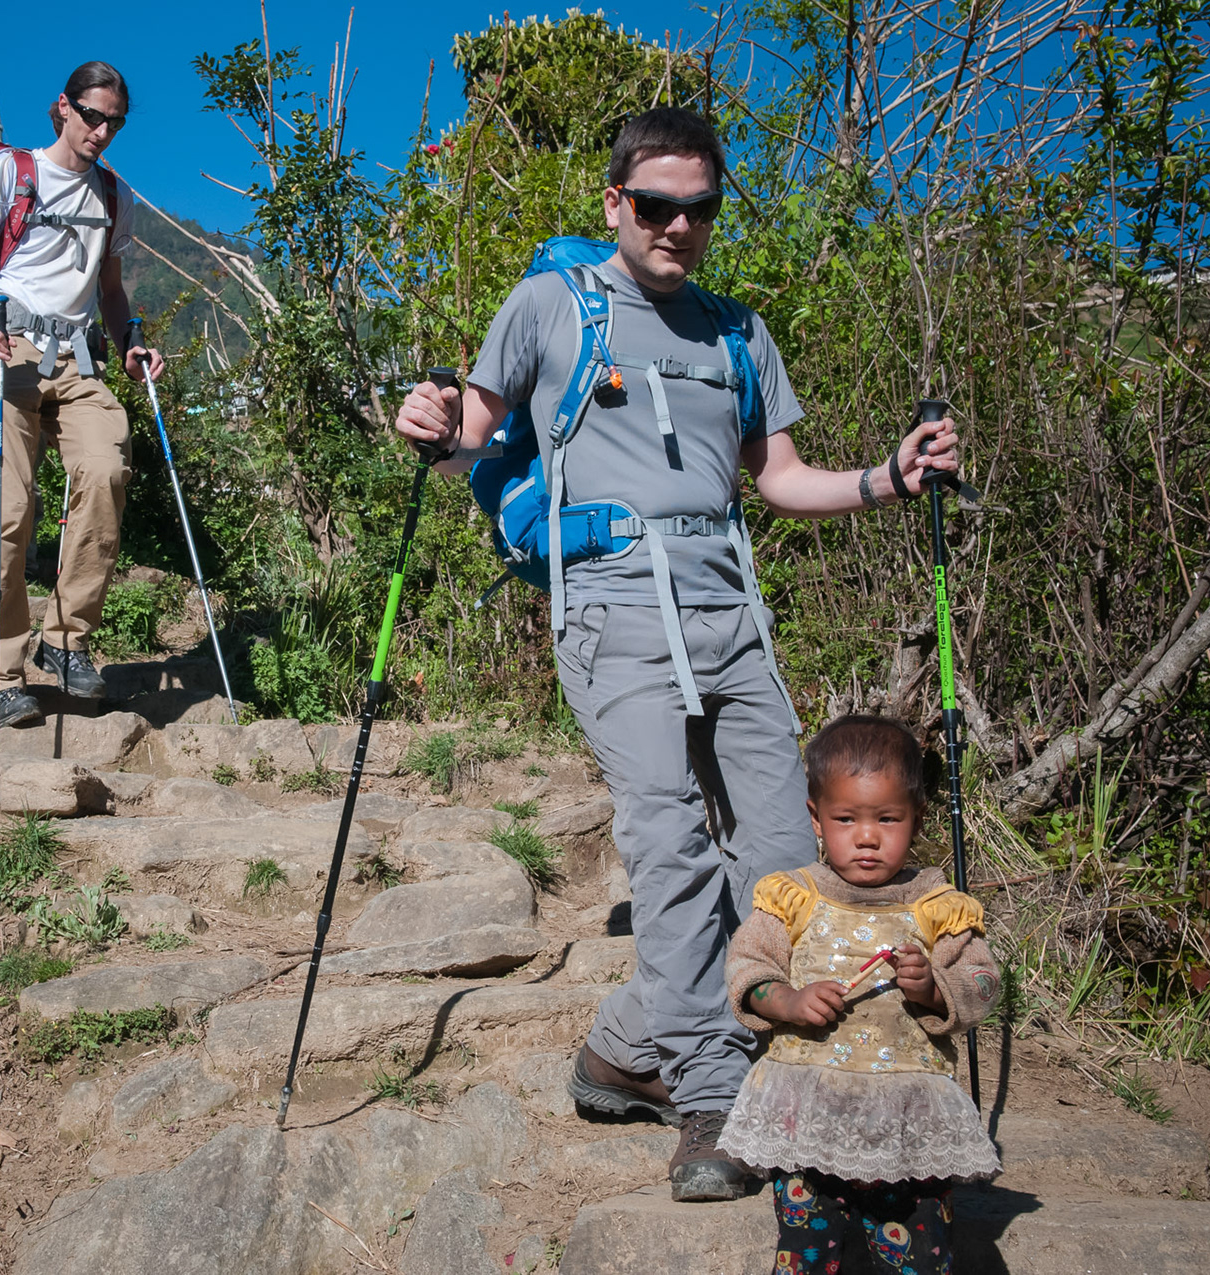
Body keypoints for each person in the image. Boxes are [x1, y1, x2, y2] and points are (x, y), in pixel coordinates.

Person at [393, 106, 962, 1201]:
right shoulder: (552, 305)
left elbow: (781, 482)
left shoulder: (739, 333)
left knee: (782, 860)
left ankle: (620, 1049)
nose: (678, 226)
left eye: (699, 208)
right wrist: (424, 416)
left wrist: (889, 476)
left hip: (729, 610)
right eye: (655, 205)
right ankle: (710, 1096)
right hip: (611, 607)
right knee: (670, 852)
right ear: (615, 203)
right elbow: (473, 422)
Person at [720, 714, 1001, 1273]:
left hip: (907, 1127)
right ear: (817, 819)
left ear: (917, 819)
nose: (867, 837)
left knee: (920, 1254)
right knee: (805, 1256)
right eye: (846, 818)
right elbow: (747, 967)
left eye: (887, 819)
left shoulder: (935, 906)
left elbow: (984, 980)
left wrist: (936, 990)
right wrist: (788, 1001)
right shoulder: (794, 897)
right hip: (808, 1119)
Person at [0, 61, 162, 729]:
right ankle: (1, 674)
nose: (102, 130)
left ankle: (66, 640)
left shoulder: (112, 195)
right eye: (92, 115)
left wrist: (130, 342)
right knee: (8, 512)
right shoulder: (12, 174)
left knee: (105, 466)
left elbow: (111, 290)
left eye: (115, 122)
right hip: (4, 350)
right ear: (62, 108)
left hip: (77, 358)